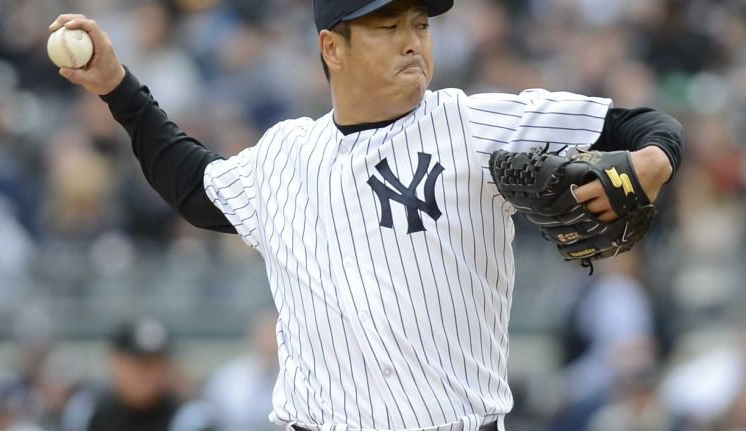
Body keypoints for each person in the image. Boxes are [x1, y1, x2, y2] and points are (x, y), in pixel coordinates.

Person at [49, 0, 684, 429]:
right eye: (387, 25)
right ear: (333, 47)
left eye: (420, 24)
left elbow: (642, 124)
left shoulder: (475, 124)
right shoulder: (285, 156)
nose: (413, 40)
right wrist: (117, 86)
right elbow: (192, 185)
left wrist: (651, 163)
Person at [61, 319, 211, 431]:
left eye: (158, 363)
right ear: (115, 362)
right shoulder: (87, 411)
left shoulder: (190, 417)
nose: (149, 374)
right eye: (140, 364)